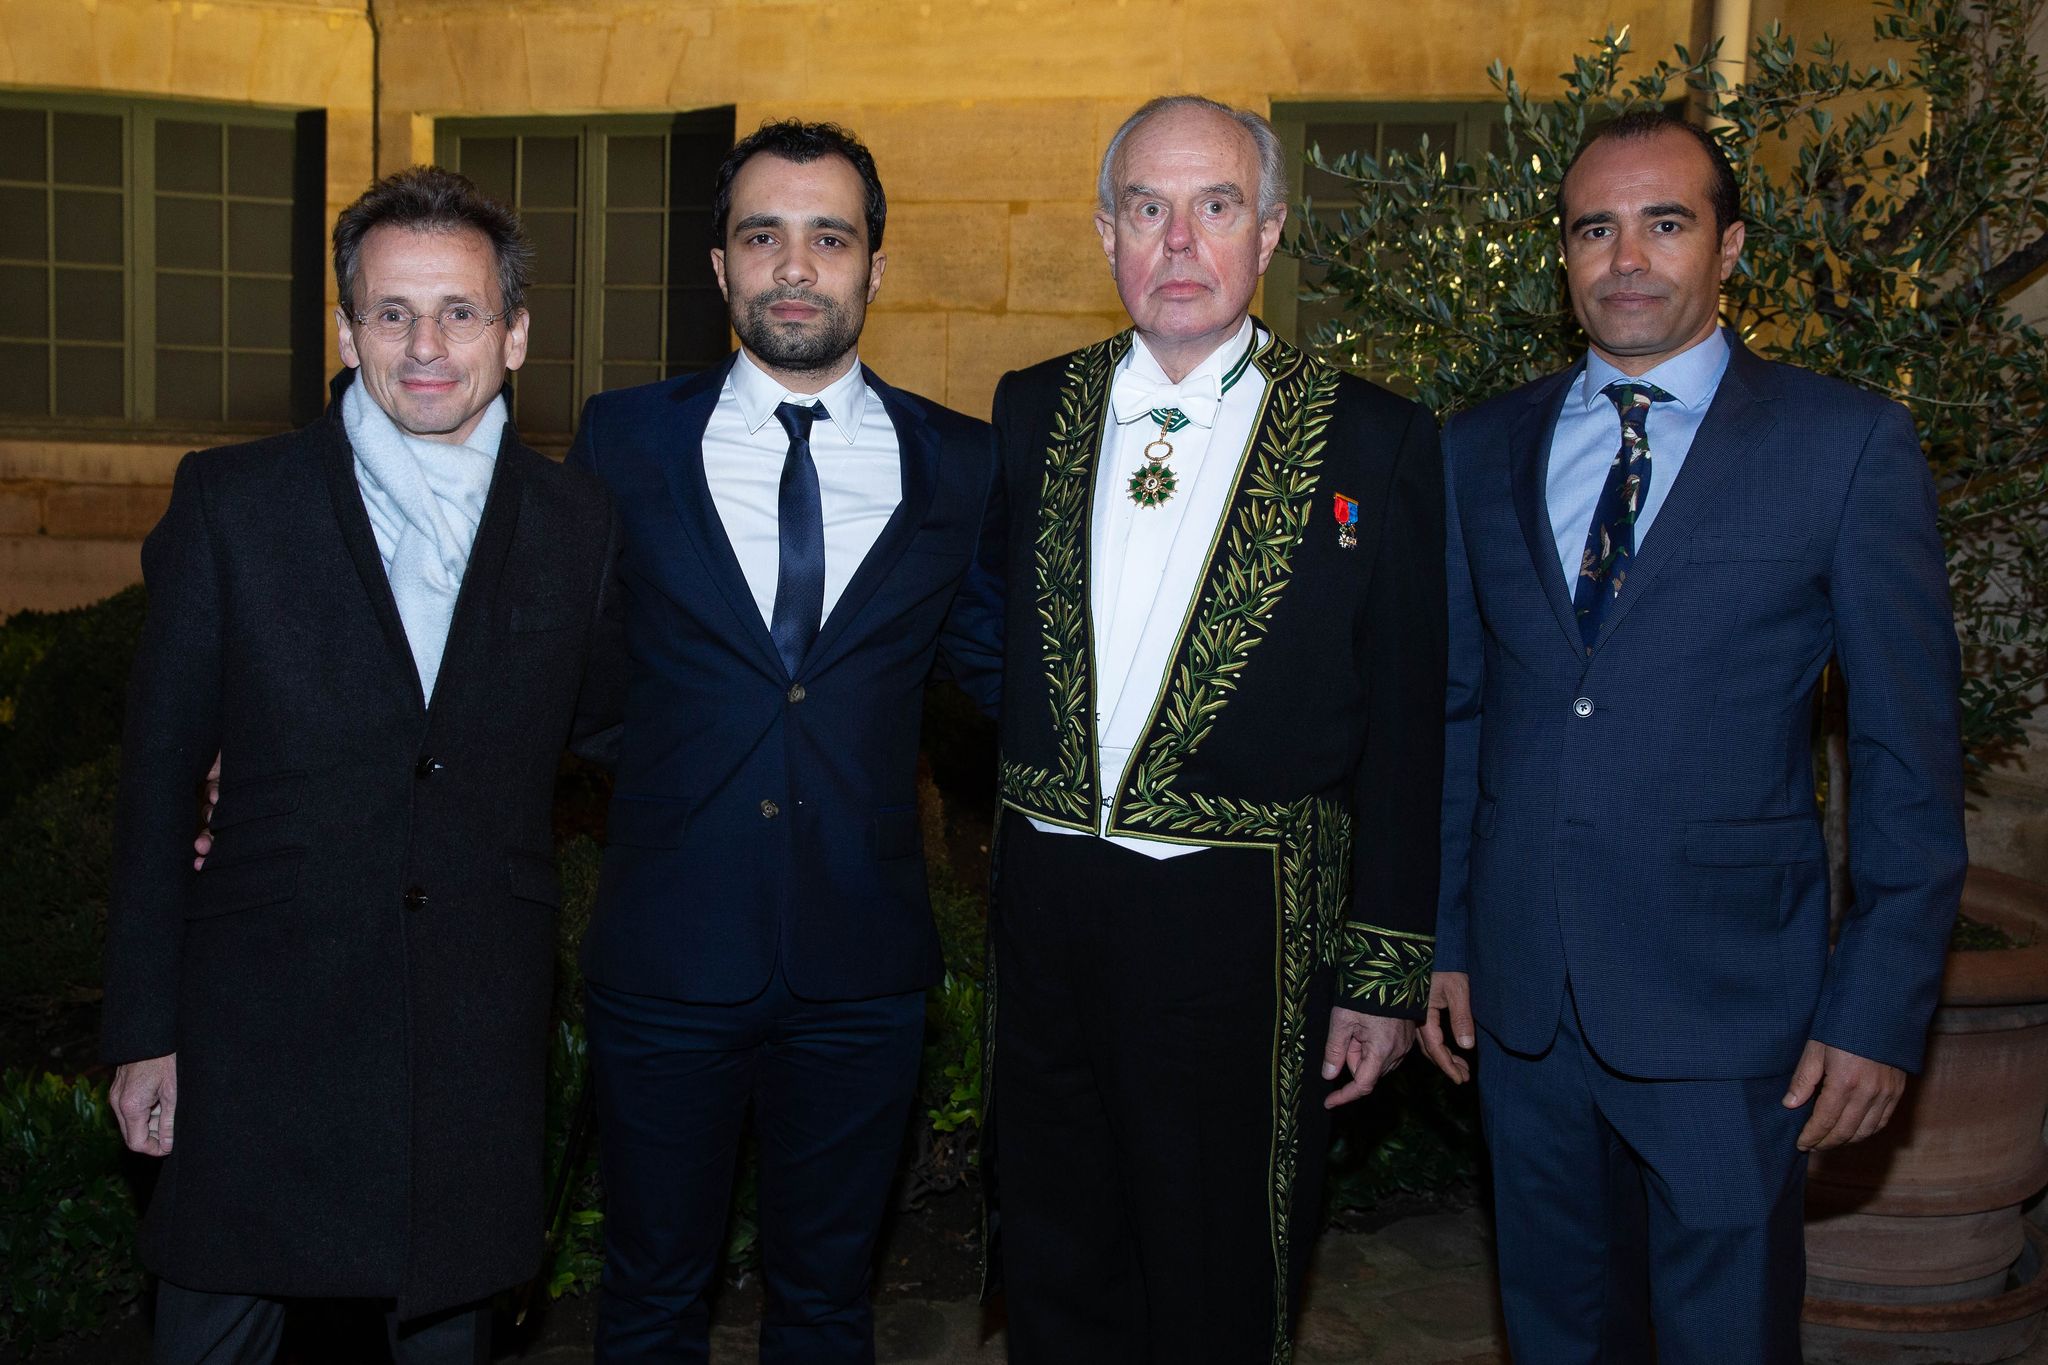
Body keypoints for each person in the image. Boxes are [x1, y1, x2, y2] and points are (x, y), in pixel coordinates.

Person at [1423, 109, 1967, 1363]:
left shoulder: (1843, 446)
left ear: (1725, 249)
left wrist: (1876, 1011)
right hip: (1524, 1002)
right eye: (1594, 229)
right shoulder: (1476, 450)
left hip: (1731, 1008)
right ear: (1561, 258)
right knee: (1556, 1332)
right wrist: (1444, 935)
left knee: (1725, 1337)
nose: (1626, 258)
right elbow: (1459, 712)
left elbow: (1902, 755)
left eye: (1663, 224)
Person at [101, 165, 624, 1364]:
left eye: (460, 312)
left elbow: (613, 728)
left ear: (518, 332)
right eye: (393, 313)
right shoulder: (234, 502)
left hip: (468, 1031)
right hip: (255, 1028)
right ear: (348, 329)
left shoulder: (573, 525)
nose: (426, 346)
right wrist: (143, 1027)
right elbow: (156, 778)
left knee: (444, 1335)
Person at [984, 95, 1446, 1363]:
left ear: (1270, 232)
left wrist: (1383, 967)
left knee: (1215, 1266)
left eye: (1215, 207)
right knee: (1057, 1250)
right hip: (1045, 911)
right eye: (1146, 208)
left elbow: (1410, 721)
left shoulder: (1374, 436)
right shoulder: (1031, 410)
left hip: (1241, 924)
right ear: (1103, 233)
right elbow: (985, 642)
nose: (1177, 242)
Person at [564, 120, 1002, 1364]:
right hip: (664, 948)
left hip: (862, 964)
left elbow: (1000, 665)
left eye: (829, 237)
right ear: (719, 266)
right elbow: (561, 665)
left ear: (874, 264)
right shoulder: (622, 440)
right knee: (649, 1300)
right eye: (763, 236)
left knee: (826, 1305)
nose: (795, 266)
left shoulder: (958, 462)